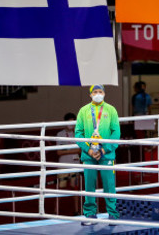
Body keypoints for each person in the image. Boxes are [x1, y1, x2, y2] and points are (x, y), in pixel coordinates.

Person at [75, 85, 120, 226]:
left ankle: (112, 214)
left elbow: (116, 132)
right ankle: (90, 215)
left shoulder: (111, 109)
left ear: (104, 94)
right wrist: (88, 150)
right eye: (95, 92)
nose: (98, 94)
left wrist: (104, 150)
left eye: (100, 92)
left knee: (109, 185)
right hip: (88, 155)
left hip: (106, 155)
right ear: (90, 95)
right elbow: (78, 133)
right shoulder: (83, 111)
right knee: (89, 186)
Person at [56, 112, 80, 189]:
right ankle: (58, 201)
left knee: (75, 187)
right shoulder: (60, 134)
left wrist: (66, 150)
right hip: (63, 164)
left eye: (73, 122)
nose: (71, 124)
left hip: (75, 164)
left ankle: (77, 202)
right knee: (61, 187)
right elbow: (59, 152)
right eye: (69, 122)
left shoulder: (78, 134)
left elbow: (79, 150)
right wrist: (73, 150)